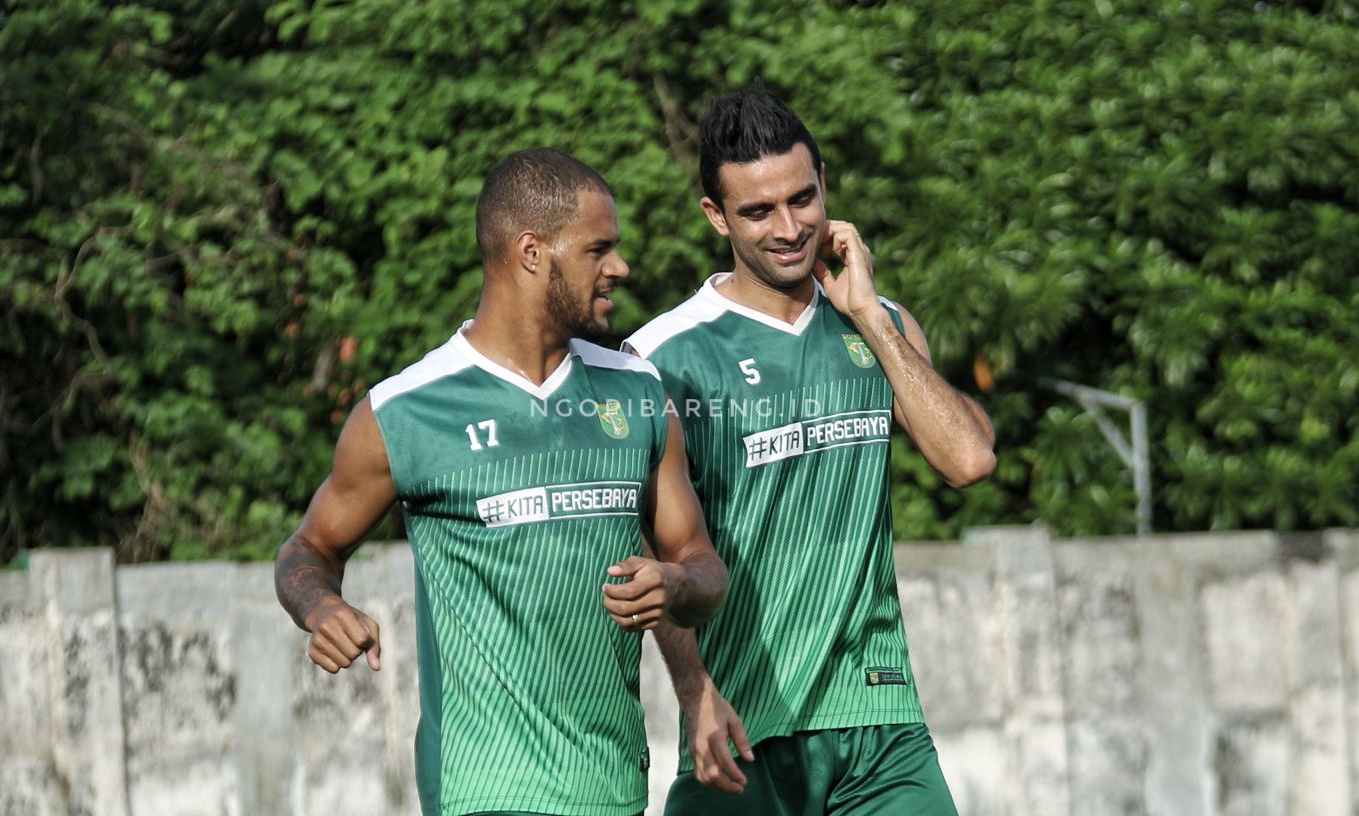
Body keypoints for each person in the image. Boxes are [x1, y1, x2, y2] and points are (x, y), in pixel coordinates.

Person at [275, 148, 729, 816]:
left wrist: (680, 584)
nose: (620, 268)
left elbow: (702, 564)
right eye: (598, 249)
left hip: (615, 789)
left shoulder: (637, 393)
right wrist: (321, 608)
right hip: (482, 791)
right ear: (531, 252)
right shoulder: (405, 411)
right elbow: (307, 548)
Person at [624, 83, 996, 814]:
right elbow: (653, 548)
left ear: (825, 183)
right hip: (743, 730)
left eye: (802, 199)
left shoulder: (879, 323)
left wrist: (866, 313)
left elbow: (968, 460)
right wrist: (695, 694)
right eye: (758, 211)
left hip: (881, 724)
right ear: (716, 216)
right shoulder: (660, 358)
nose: (789, 227)